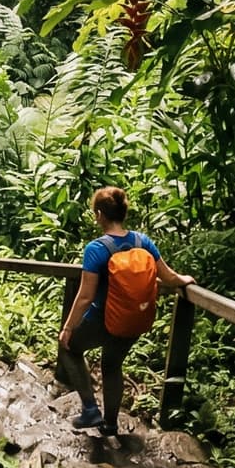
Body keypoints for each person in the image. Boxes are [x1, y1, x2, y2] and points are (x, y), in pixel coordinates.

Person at [57, 185, 193, 436]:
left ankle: (90, 410)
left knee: (69, 348)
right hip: (134, 320)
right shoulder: (143, 242)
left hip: (101, 320)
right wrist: (184, 279)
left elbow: (86, 296)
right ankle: (110, 424)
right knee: (112, 365)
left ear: (99, 214)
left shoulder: (97, 249)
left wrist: (67, 328)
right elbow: (169, 276)